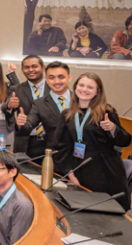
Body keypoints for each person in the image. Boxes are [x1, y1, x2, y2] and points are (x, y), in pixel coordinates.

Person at [53, 73, 132, 210]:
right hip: (79, 167)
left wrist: (113, 129)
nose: (84, 89)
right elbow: (61, 147)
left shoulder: (106, 112)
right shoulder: (67, 114)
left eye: (90, 87)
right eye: (81, 85)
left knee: (108, 213)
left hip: (106, 170)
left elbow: (125, 140)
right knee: (82, 211)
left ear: (97, 92)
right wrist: (70, 174)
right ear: (75, 87)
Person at [15, 61, 72, 173]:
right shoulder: (40, 104)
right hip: (55, 159)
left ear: (69, 78)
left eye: (61, 77)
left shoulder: (80, 100)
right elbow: (28, 125)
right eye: (52, 77)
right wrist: (21, 124)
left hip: (80, 158)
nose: (57, 81)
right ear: (46, 80)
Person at [6, 55, 47, 158]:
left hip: (49, 142)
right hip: (25, 141)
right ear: (22, 70)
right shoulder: (17, 89)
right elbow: (5, 108)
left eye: (34, 66)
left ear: (43, 68)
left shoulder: (54, 88)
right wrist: (9, 106)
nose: (31, 70)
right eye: (27, 67)